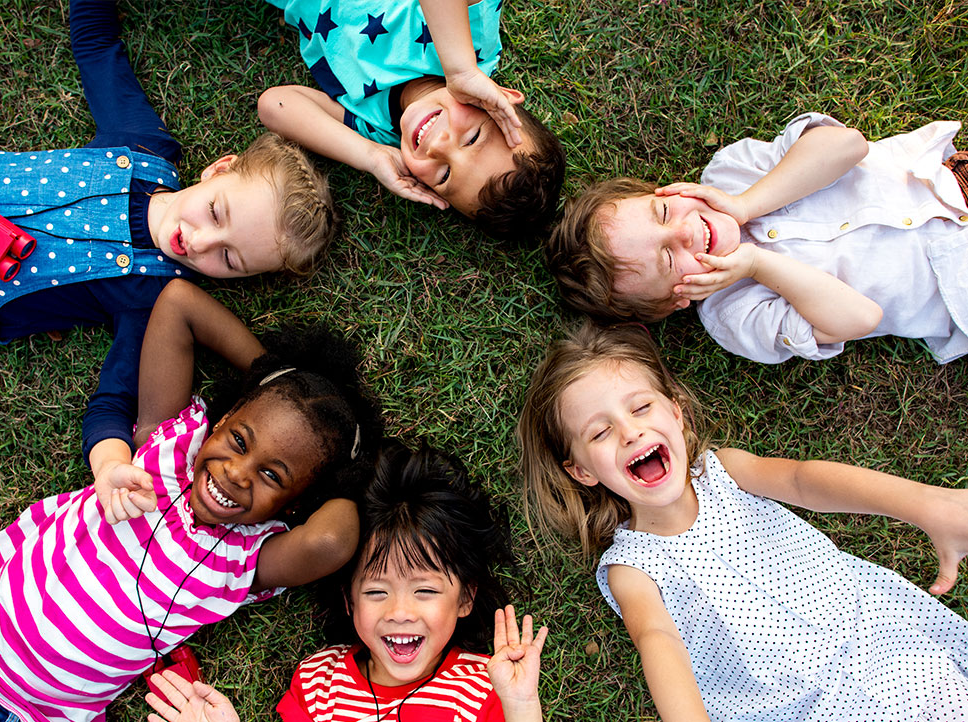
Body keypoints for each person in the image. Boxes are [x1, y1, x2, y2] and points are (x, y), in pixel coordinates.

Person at [0, 278, 382, 722]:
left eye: (272, 475)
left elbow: (334, 538)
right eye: (240, 440)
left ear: (293, 505)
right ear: (220, 422)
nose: (237, 473)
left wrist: (356, 471)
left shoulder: (244, 562)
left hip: (29, 714)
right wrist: (272, 376)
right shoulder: (165, 450)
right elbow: (178, 303)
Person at [0, 0, 336, 475]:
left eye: (229, 259)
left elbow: (113, 399)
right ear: (219, 169)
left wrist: (111, 465)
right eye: (216, 212)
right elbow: (96, 47)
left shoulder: (150, 299)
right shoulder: (141, 144)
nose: (200, 241)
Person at [516, 322, 968, 721]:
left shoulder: (724, 472)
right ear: (582, 471)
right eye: (599, 432)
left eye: (640, 408)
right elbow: (658, 642)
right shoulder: (631, 568)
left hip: (883, 645)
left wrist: (926, 505)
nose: (630, 431)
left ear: (676, 412)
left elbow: (803, 479)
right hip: (798, 709)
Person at [146, 440, 548, 722]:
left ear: (466, 599)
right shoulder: (320, 682)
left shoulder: (486, 685)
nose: (400, 612)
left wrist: (522, 705)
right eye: (376, 591)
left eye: (425, 590)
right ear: (349, 599)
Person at [545, 112, 968, 363]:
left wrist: (748, 204)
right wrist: (757, 264)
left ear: (667, 189)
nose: (686, 230)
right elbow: (861, 319)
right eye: (670, 259)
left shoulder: (732, 172)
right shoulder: (735, 316)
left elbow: (847, 145)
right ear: (679, 299)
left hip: (950, 180)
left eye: (664, 212)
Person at [257, 0, 565, 240]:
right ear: (501, 99)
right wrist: (460, 69)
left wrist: (371, 156)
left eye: (444, 175)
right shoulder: (473, 47)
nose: (439, 147)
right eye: (472, 138)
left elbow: (275, 105)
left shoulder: (377, 129)